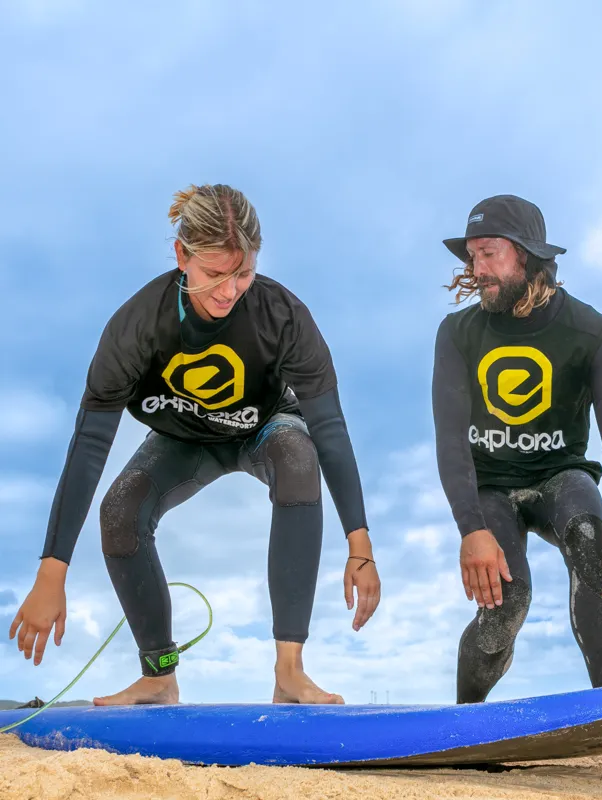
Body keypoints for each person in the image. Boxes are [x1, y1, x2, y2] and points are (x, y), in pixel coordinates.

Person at [9, 183, 380, 706]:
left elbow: (332, 428)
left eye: (244, 273)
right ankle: (159, 675)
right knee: (120, 509)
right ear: (183, 256)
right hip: (184, 440)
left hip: (264, 429)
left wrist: (359, 545)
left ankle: (289, 673)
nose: (230, 291)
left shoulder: (283, 317)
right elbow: (91, 441)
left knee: (300, 455)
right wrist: (53, 570)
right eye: (214, 275)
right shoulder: (137, 326)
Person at [433, 194, 602, 704]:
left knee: (600, 560)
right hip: (490, 488)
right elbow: (450, 438)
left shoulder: (592, 333)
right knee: (508, 602)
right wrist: (472, 529)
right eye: (472, 256)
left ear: (525, 255)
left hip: (560, 477)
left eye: (489, 254)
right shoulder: (458, 333)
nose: (477, 269)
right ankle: (468, 723)